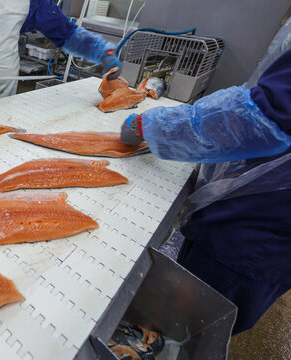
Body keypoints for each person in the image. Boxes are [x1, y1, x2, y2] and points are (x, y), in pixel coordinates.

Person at [120, 24, 291, 335]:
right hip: (265, 221)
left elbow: (258, 121)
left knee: (185, 323)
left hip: (258, 224)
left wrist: (150, 125)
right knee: (190, 316)